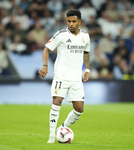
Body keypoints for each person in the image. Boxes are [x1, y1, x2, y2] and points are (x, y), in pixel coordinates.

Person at [38, 9, 91, 143]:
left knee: (79, 109)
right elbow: (46, 49)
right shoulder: (60, 35)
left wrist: (87, 70)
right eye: (69, 21)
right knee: (56, 102)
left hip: (76, 78)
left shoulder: (85, 36)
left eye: (74, 21)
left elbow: (86, 53)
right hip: (61, 76)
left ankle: (62, 128)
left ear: (79, 22)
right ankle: (51, 136)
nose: (71, 24)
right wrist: (45, 65)